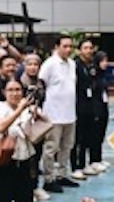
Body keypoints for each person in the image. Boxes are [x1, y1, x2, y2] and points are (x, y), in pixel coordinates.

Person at [37, 35, 78, 193]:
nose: (68, 49)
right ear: (57, 47)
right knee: (51, 148)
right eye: (65, 46)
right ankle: (49, 178)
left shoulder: (72, 64)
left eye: (70, 46)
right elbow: (42, 85)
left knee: (67, 146)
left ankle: (62, 175)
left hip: (70, 113)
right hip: (53, 114)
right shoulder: (49, 64)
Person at [71, 39, 106, 179]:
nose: (88, 50)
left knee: (88, 137)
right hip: (77, 106)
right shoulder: (75, 65)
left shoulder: (92, 65)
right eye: (85, 48)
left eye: (90, 48)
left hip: (90, 106)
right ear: (80, 50)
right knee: (77, 139)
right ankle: (76, 166)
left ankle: (87, 164)